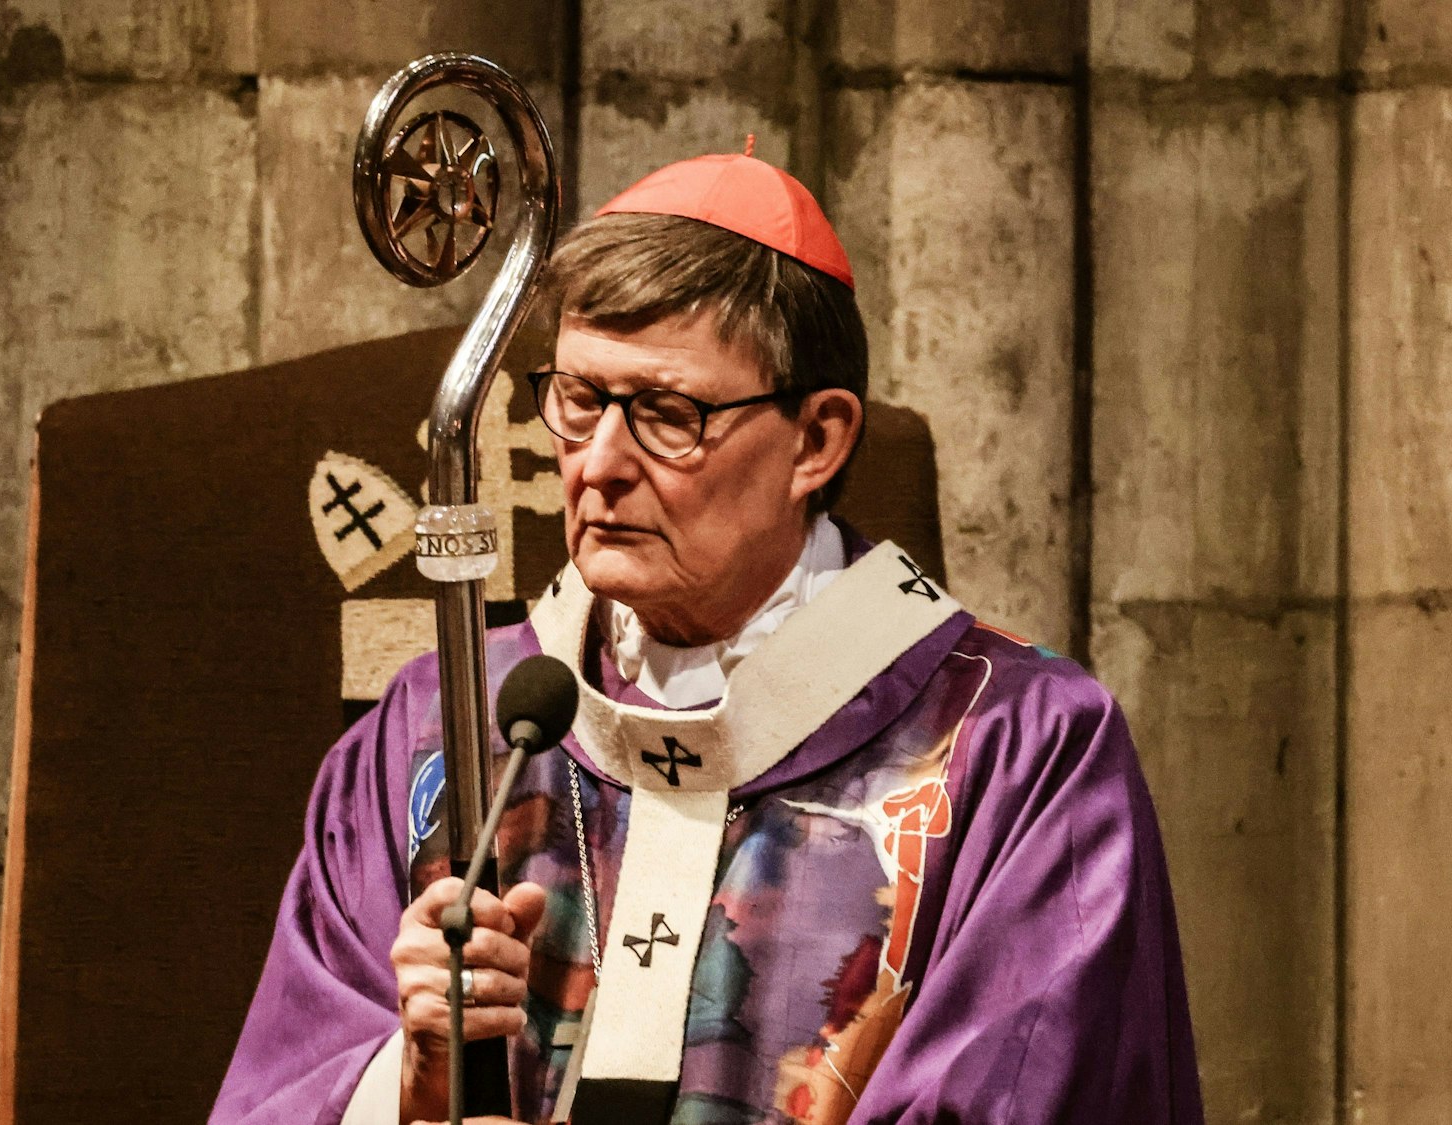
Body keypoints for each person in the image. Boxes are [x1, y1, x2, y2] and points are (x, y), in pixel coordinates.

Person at [212, 149, 1203, 1125]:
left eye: (664, 414)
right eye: (578, 400)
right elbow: (284, 1087)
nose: (597, 464)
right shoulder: (437, 736)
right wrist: (414, 1081)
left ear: (815, 440)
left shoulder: (1017, 753)